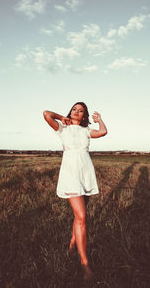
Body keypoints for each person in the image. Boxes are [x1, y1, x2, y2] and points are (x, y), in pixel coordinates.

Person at [43, 102, 107, 282]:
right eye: (74, 110)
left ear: (84, 115)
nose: (77, 112)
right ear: (70, 112)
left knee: (79, 216)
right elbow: (46, 113)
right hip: (70, 174)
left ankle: (72, 244)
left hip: (85, 173)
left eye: (81, 111)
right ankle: (84, 263)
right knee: (81, 216)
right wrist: (60, 117)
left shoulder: (86, 131)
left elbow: (103, 132)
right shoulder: (62, 128)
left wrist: (100, 120)